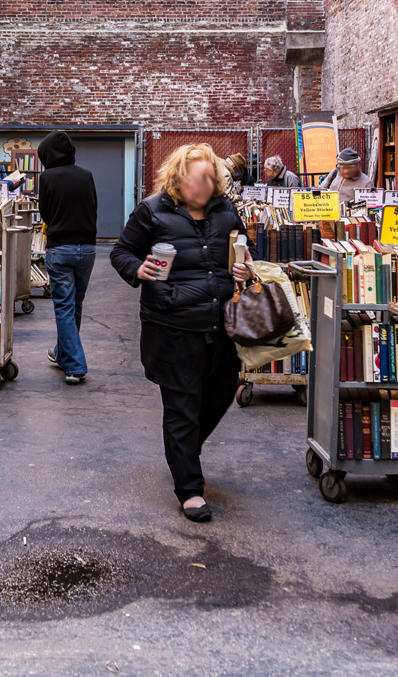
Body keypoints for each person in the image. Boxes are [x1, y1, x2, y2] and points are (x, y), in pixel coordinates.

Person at [110, 143, 250, 523]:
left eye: (211, 178)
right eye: (198, 179)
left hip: (221, 324)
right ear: (178, 178)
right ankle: (189, 489)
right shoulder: (152, 211)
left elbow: (243, 246)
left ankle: (182, 450)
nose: (206, 186)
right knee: (182, 406)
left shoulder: (225, 209)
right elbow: (121, 252)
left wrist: (245, 264)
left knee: (220, 395)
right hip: (171, 325)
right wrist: (138, 270)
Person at [38, 131, 98, 385]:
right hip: (87, 248)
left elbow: (45, 212)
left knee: (64, 307)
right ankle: (62, 353)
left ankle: (74, 366)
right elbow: (94, 208)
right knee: (75, 305)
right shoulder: (86, 175)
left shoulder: (48, 177)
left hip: (60, 248)